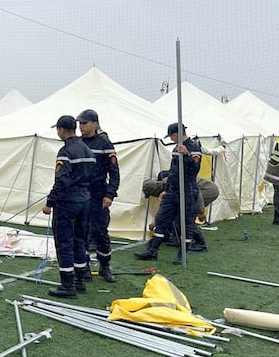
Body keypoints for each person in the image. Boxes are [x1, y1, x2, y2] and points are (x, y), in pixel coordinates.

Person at [41, 115, 95, 298]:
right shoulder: (87, 150)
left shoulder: (66, 152)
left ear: (61, 130)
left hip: (68, 202)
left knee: (64, 243)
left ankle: (67, 286)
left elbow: (62, 181)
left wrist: (50, 202)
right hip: (85, 200)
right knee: (80, 240)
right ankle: (80, 280)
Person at [135, 123, 202, 264]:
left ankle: (182, 255)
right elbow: (173, 171)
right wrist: (166, 189)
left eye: (171, 136)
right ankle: (152, 250)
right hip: (173, 190)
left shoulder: (194, 148)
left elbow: (195, 169)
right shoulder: (176, 148)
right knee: (162, 219)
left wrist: (187, 155)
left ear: (176, 134)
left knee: (185, 223)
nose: (171, 139)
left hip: (187, 190)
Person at [76, 109, 119, 283]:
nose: (81, 126)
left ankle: (105, 266)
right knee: (81, 231)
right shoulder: (77, 143)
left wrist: (110, 195)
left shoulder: (104, 144)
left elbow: (114, 172)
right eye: (79, 123)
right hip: (81, 193)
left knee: (100, 231)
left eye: (84, 123)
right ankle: (84, 266)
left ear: (94, 124)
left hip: (99, 193)